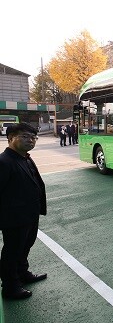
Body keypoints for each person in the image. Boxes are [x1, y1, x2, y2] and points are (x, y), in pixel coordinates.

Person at [0, 123, 47, 300]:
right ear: (10, 138)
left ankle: (23, 273)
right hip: (14, 217)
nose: (31, 140)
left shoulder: (25, 158)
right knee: (12, 251)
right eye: (25, 136)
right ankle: (10, 286)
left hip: (29, 214)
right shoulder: (4, 162)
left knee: (25, 246)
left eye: (34, 137)